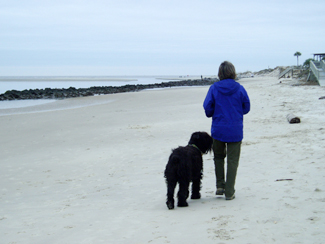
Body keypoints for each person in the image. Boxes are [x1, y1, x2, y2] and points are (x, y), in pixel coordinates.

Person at [203, 61, 250, 200]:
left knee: (218, 157)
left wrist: (215, 111)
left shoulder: (214, 88)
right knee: (232, 161)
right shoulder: (240, 88)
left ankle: (220, 186)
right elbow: (246, 107)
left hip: (218, 129)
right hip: (235, 129)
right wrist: (236, 111)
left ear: (220, 73)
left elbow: (207, 108)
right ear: (233, 72)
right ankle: (229, 191)